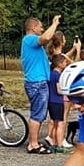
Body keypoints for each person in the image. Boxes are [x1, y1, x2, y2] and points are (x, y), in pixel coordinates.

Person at [21, 13, 61, 154]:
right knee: (37, 114)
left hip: (38, 82)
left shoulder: (32, 44)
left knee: (38, 113)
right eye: (40, 27)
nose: (42, 29)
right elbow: (45, 38)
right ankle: (33, 144)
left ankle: (34, 141)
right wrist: (54, 23)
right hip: (36, 83)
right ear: (33, 27)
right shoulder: (30, 39)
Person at [47, 53, 71, 152]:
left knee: (56, 123)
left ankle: (55, 143)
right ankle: (59, 145)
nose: (66, 64)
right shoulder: (57, 75)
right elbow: (59, 90)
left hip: (51, 101)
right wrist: (67, 91)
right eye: (65, 62)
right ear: (59, 64)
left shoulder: (51, 73)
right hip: (57, 101)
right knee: (60, 124)